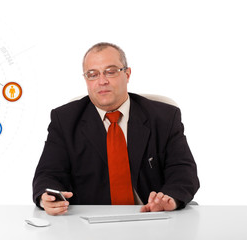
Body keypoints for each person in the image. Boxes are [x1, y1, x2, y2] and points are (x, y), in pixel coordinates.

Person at [32, 42, 199, 216]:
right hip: (88, 224)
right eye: (92, 74)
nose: (102, 81)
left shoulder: (164, 117)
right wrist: (48, 198)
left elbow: (183, 170)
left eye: (110, 72)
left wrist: (170, 199)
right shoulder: (65, 120)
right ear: (86, 80)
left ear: (127, 74)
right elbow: (48, 173)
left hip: (151, 218)